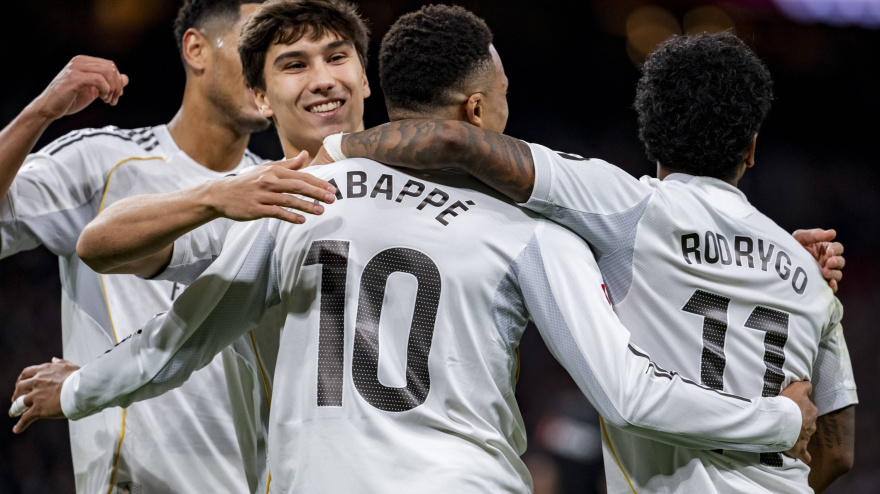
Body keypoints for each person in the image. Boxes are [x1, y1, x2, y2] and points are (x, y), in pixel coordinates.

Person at [13, 6, 819, 493]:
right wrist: (778, 418)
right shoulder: (532, 235)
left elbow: (184, 334)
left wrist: (83, 389)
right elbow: (633, 395)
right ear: (479, 107)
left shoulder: (304, 198)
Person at [313, 31, 857, 493]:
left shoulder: (626, 206)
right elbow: (837, 454)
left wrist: (335, 151)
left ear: (652, 134)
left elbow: (453, 139)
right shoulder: (811, 271)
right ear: (752, 149)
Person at [0, 0, 335, 492]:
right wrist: (42, 111)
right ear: (196, 49)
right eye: (252, 42)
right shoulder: (104, 162)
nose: (266, 61)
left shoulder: (280, 191)